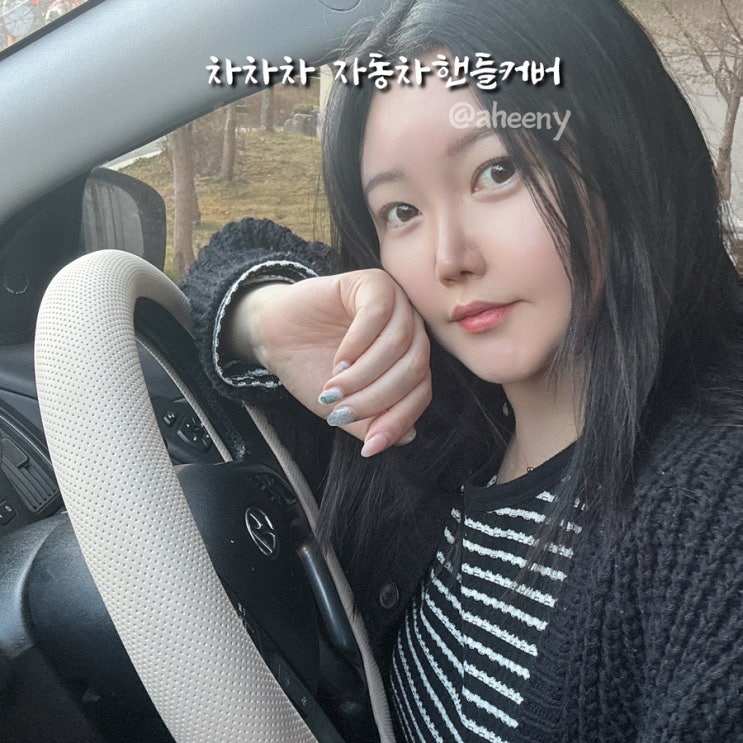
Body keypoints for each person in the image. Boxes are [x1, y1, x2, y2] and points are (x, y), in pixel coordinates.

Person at [180, 0, 743, 739]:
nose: (449, 258)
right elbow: (227, 257)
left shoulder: (712, 506)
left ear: (626, 152)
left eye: (496, 171)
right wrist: (265, 321)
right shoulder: (430, 409)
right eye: (401, 212)